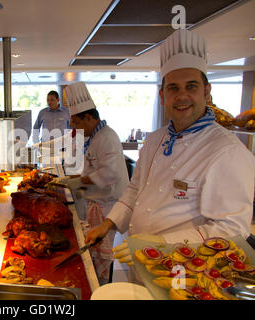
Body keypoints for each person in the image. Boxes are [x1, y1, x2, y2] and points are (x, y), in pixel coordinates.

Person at [85, 29, 255, 277]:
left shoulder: (229, 152)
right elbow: (135, 191)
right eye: (173, 88)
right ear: (163, 96)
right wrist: (108, 224)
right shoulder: (155, 140)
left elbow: (231, 229)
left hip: (186, 271)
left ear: (207, 93)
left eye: (191, 86)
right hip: (141, 260)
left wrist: (158, 244)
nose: (182, 96)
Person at [54, 82, 129, 284]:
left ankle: (102, 289)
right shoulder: (94, 137)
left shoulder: (107, 137)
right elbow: (91, 169)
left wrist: (78, 183)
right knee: (93, 250)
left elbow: (109, 174)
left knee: (103, 253)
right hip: (97, 202)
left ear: (89, 118)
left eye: (76, 123)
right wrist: (70, 179)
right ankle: (95, 280)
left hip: (108, 206)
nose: (75, 129)